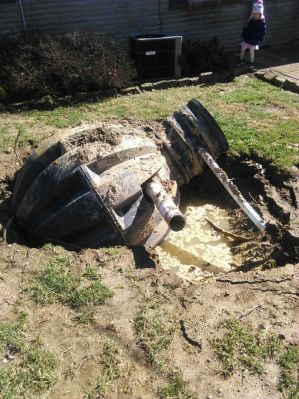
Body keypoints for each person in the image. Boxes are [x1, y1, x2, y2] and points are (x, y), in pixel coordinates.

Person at [236, 0, 266, 68]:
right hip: (247, 38)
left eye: (257, 14)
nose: (255, 15)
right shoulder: (250, 20)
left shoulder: (262, 23)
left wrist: (259, 38)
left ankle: (251, 63)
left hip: (254, 39)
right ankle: (241, 60)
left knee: (251, 52)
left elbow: (263, 32)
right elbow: (245, 27)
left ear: (260, 14)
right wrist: (244, 33)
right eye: (254, 14)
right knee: (242, 49)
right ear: (252, 13)